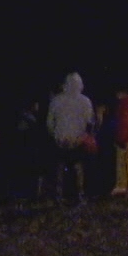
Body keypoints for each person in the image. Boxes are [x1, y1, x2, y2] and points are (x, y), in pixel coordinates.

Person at [46, 72, 96, 205]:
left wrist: (55, 135)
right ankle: (79, 194)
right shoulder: (85, 101)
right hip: (78, 138)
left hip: (60, 138)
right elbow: (90, 121)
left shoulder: (56, 100)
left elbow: (50, 122)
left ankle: (58, 194)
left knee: (60, 167)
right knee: (78, 166)